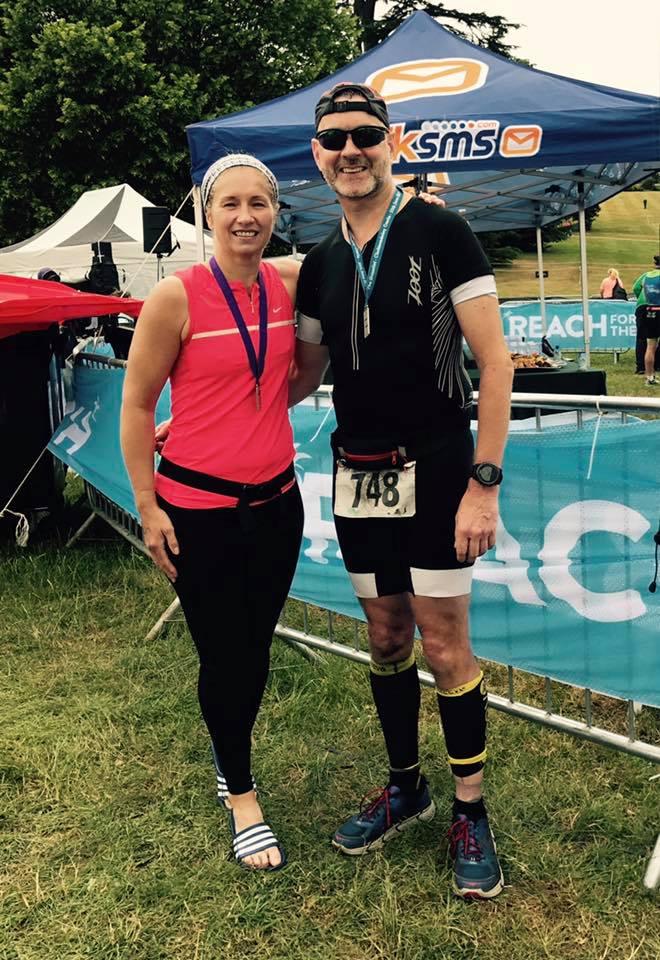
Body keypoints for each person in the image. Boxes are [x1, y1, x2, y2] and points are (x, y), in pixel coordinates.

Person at [289, 82, 514, 899]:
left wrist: (483, 485)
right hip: (357, 471)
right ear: (316, 155)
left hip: (440, 466)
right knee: (386, 637)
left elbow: (494, 364)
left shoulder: (442, 232)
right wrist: (206, 419)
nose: (351, 150)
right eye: (335, 139)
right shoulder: (318, 260)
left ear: (394, 143)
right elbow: (302, 375)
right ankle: (406, 787)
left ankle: (471, 810)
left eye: (365, 135)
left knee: (445, 641)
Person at [120, 153, 304, 872]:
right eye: (230, 203)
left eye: (259, 202)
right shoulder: (177, 294)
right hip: (197, 511)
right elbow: (136, 406)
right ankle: (242, 792)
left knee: (253, 650)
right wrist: (147, 504)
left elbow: (295, 367)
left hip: (278, 506)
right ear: (207, 211)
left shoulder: (287, 285)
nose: (246, 216)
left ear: (275, 212)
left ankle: (229, 751)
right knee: (226, 655)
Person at [632, 254, 660, 386]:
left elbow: (637, 288)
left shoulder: (647, 276)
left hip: (649, 310)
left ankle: (649, 376)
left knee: (650, 345)